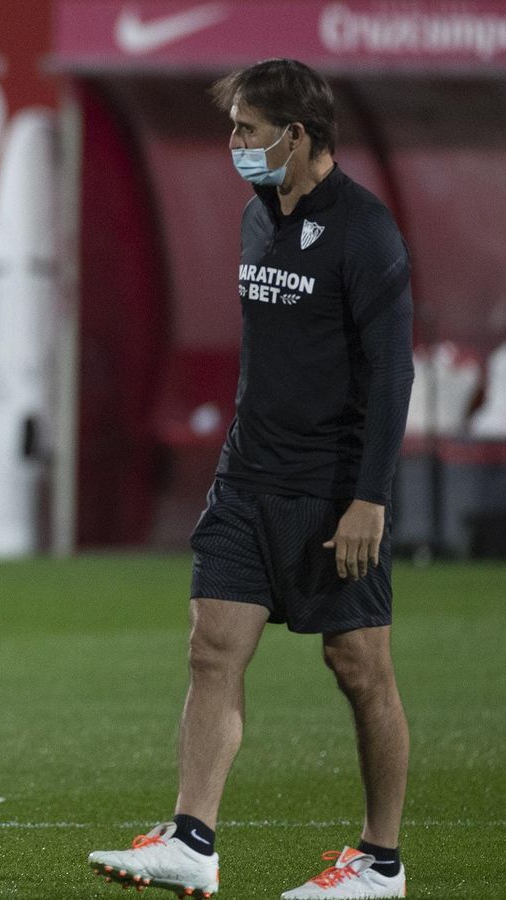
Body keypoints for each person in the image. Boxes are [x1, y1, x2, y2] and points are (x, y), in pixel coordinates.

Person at [88, 59, 414, 899]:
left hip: (334, 492)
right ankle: (193, 838)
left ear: (295, 135)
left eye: (246, 130)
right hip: (247, 481)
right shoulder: (255, 218)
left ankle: (381, 862)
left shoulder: (367, 232)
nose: (233, 144)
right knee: (212, 647)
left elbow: (390, 379)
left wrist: (368, 498)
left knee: (360, 668)